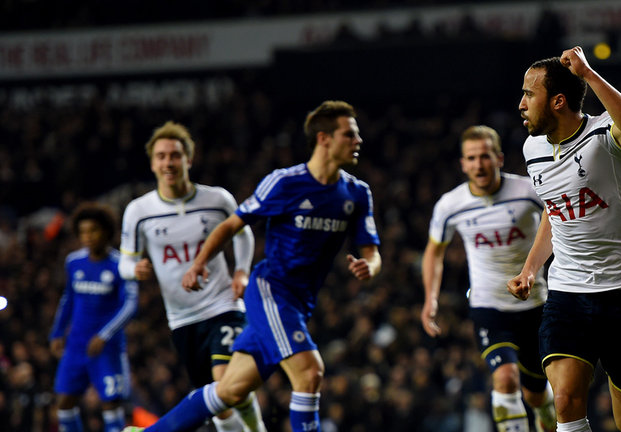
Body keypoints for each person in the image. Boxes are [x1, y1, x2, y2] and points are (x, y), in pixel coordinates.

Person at [121, 100, 382, 432]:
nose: (358, 141)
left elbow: (371, 250)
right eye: (350, 134)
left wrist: (369, 267)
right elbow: (232, 225)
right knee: (310, 372)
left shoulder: (357, 194)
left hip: (301, 303)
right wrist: (199, 263)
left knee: (230, 390)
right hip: (271, 292)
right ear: (324, 139)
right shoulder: (285, 183)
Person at [507, 46, 621, 432]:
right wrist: (530, 269)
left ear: (557, 101)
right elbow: (554, 211)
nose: (520, 104)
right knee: (567, 400)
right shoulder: (532, 148)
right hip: (569, 290)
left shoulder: (605, 134)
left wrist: (587, 74)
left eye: (528, 94)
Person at [118, 121, 266, 432]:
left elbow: (243, 234)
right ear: (152, 163)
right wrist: (135, 269)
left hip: (223, 304)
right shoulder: (139, 211)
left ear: (189, 159)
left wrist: (241, 271)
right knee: (220, 404)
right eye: (161, 156)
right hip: (182, 319)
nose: (168, 162)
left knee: (224, 383)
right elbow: (124, 262)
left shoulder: (217, 200)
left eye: (175, 155)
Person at [421, 125, 556, 432]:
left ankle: (546, 414)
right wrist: (430, 299)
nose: (478, 164)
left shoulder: (528, 191)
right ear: (463, 164)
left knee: (537, 395)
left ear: (499, 158)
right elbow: (434, 252)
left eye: (485, 156)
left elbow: (557, 223)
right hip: (489, 307)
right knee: (505, 378)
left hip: (536, 305)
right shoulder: (450, 205)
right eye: (471, 158)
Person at [50, 202, 138, 432]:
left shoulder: (121, 264)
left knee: (111, 404)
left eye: (94, 230)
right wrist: (58, 332)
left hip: (106, 348)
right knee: (64, 402)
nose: (88, 237)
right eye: (83, 232)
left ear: (107, 232)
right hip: (76, 344)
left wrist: (105, 335)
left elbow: (130, 305)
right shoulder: (74, 262)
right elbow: (67, 299)